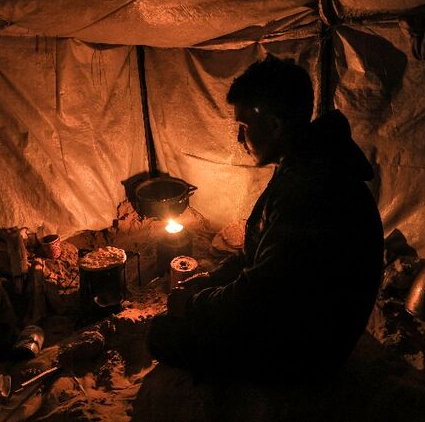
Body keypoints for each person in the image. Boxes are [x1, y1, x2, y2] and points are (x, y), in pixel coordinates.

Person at [148, 54, 384, 380]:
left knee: (163, 334)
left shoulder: (311, 187)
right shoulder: (305, 162)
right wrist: (207, 281)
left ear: (274, 125)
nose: (239, 139)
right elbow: (257, 259)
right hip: (302, 314)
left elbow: (262, 296)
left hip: (313, 346)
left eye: (244, 127)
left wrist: (197, 304)